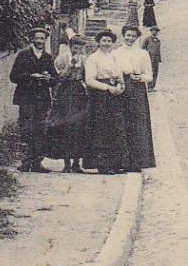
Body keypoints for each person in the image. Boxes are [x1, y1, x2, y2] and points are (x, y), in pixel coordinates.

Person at [9, 27, 58, 172]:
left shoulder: (48, 57)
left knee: (40, 129)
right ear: (32, 39)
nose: (40, 41)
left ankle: (37, 162)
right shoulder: (23, 55)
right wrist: (31, 76)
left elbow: (55, 79)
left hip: (42, 99)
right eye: (37, 38)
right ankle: (26, 161)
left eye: (42, 39)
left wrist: (49, 78)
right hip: (26, 98)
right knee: (26, 128)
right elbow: (13, 77)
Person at [82, 29, 128, 173]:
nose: (107, 43)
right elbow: (90, 80)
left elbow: (119, 75)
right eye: (104, 41)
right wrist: (107, 87)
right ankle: (102, 164)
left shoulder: (113, 58)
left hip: (114, 96)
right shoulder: (93, 58)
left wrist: (121, 86)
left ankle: (115, 163)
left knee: (115, 128)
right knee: (101, 129)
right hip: (99, 97)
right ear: (99, 42)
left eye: (109, 41)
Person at [114, 25, 156, 171]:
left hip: (137, 90)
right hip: (120, 88)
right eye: (127, 35)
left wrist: (140, 78)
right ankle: (120, 162)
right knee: (120, 124)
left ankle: (136, 162)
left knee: (137, 125)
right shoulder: (115, 53)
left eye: (133, 36)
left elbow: (149, 76)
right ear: (123, 36)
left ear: (136, 38)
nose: (130, 38)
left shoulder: (142, 54)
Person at [46, 36, 91, 172]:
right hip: (64, 93)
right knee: (64, 126)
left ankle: (76, 162)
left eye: (80, 48)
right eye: (75, 47)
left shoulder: (85, 60)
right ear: (71, 47)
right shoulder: (61, 59)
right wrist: (70, 67)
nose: (77, 50)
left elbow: (87, 77)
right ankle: (66, 162)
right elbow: (58, 78)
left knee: (79, 126)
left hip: (79, 93)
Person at [142, 26, 163, 90]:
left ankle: (153, 86)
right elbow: (143, 48)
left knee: (155, 73)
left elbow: (158, 50)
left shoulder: (158, 40)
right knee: (150, 72)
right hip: (149, 59)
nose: (154, 32)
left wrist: (159, 58)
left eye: (156, 31)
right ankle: (149, 86)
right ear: (151, 31)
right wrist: (146, 56)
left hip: (156, 59)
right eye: (153, 30)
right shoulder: (147, 39)